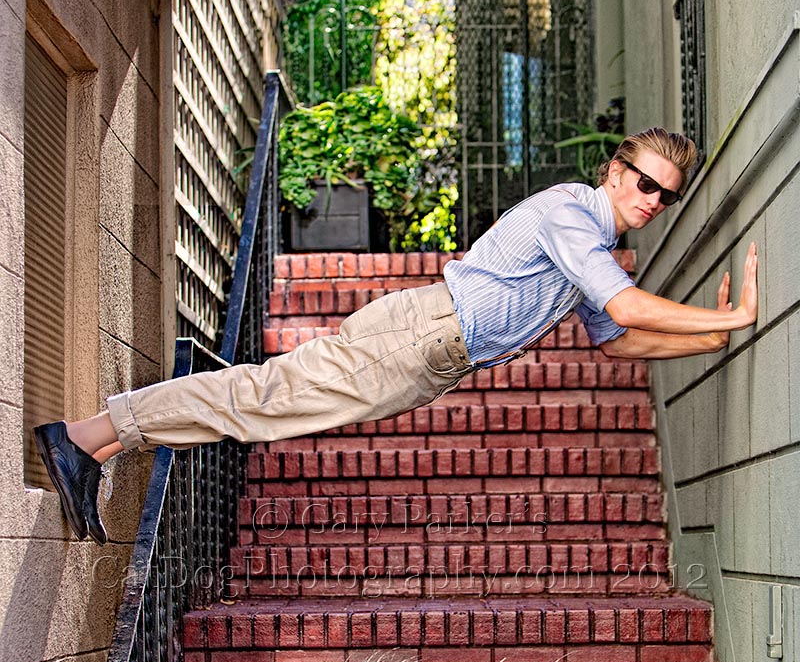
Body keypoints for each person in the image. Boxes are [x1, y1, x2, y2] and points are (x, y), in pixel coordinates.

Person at [34, 127, 758, 545]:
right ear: (614, 168)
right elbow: (628, 308)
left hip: (429, 355)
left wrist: (707, 342)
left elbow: (617, 340)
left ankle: (92, 445)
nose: (652, 201)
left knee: (261, 405)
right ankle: (91, 432)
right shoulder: (575, 214)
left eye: (665, 195)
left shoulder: (591, 244)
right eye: (643, 182)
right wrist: (727, 318)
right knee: (259, 398)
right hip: (420, 336)